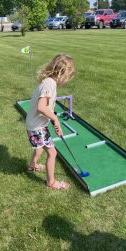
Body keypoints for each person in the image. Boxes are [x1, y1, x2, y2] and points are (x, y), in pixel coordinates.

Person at [26, 54, 75, 190]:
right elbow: (41, 107)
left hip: (35, 125)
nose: (66, 80)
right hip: (37, 127)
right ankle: (51, 182)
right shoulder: (50, 84)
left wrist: (53, 119)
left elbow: (45, 107)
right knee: (52, 153)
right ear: (62, 73)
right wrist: (55, 118)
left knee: (39, 147)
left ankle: (32, 167)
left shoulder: (48, 81)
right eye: (68, 76)